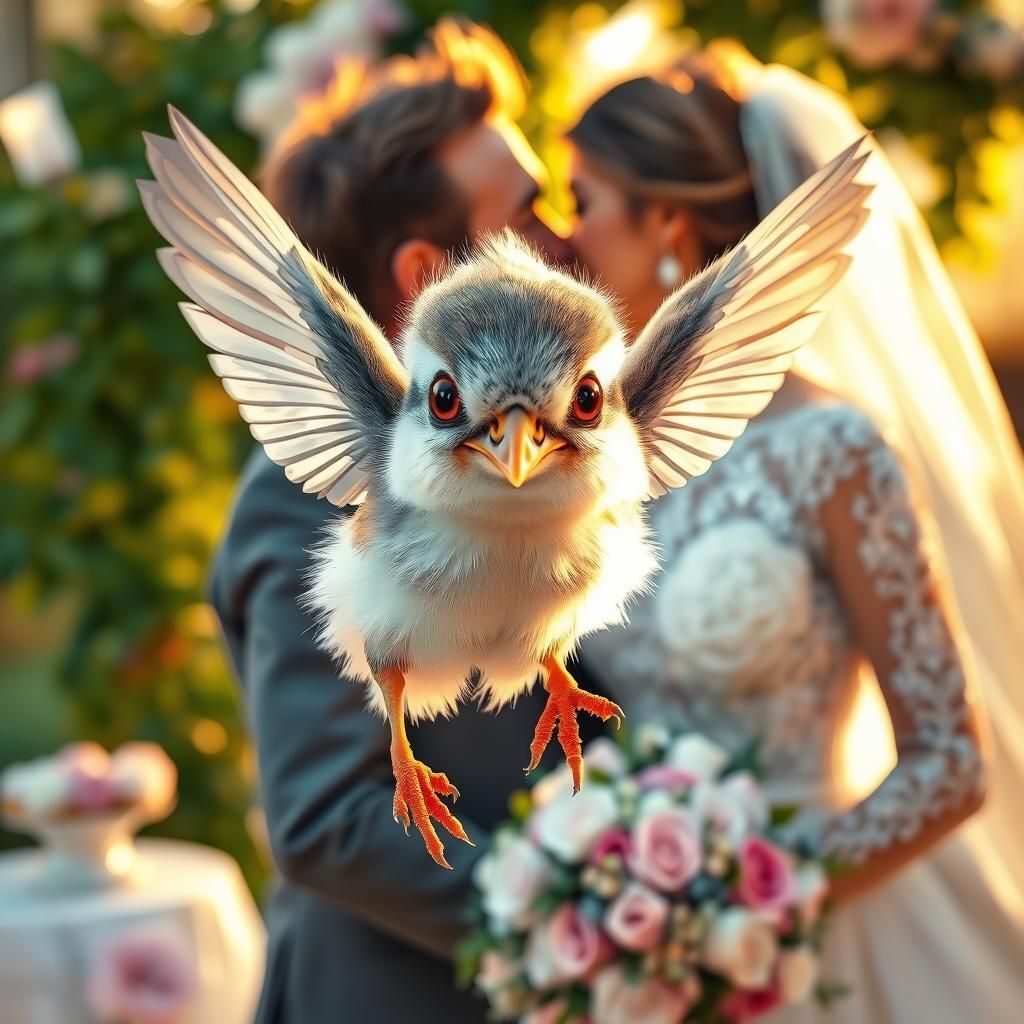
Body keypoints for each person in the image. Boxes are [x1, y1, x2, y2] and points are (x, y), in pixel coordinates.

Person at [567, 49, 1024, 1022]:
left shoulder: (832, 450)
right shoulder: (598, 454)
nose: (563, 237)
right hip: (639, 956)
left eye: (584, 201)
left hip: (823, 943)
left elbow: (949, 759)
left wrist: (747, 900)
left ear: (666, 223)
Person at [209, 20, 587, 1023]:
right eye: (528, 213)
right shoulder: (307, 493)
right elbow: (327, 818)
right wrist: (587, 922)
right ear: (428, 277)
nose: (567, 241)